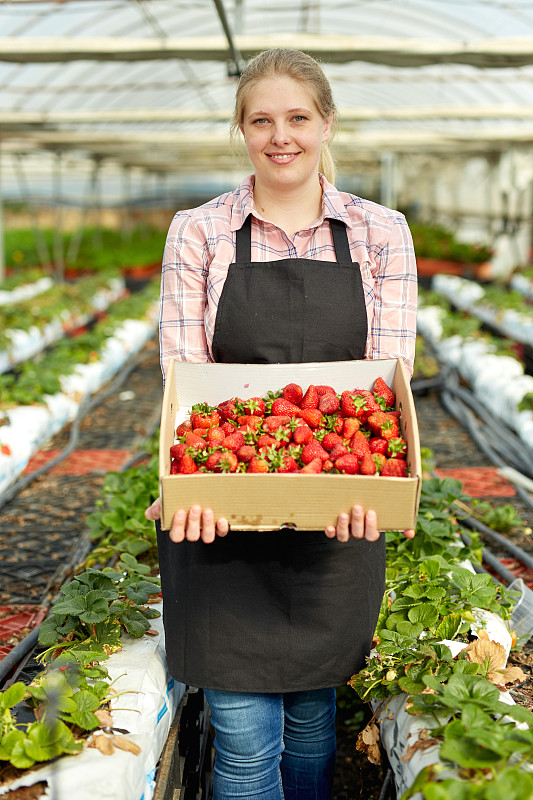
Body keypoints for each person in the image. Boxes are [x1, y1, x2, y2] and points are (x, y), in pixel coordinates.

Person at [145, 48, 417, 800]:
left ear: (326, 124)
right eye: (260, 120)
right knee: (239, 742)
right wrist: (183, 479)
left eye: (297, 117)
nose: (280, 136)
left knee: (311, 721)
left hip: (339, 507)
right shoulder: (197, 232)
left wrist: (381, 482)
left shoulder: (378, 232)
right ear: (240, 130)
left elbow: (383, 387)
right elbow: (184, 379)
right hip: (222, 513)